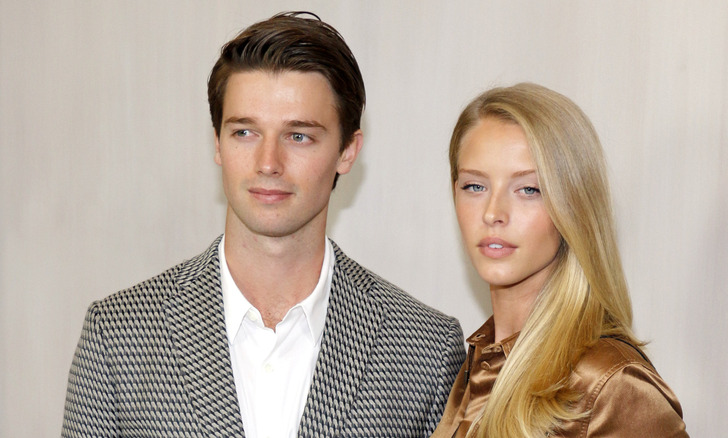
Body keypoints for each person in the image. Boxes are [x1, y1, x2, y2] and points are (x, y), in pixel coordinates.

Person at [62, 12, 465, 438]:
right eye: (245, 133)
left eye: (298, 136)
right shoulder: (118, 334)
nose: (268, 163)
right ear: (217, 141)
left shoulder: (426, 348)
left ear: (348, 151)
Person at [432, 83, 688, 437]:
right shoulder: (474, 365)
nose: (493, 213)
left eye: (528, 190)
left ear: (574, 206)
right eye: (475, 186)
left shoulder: (609, 385)